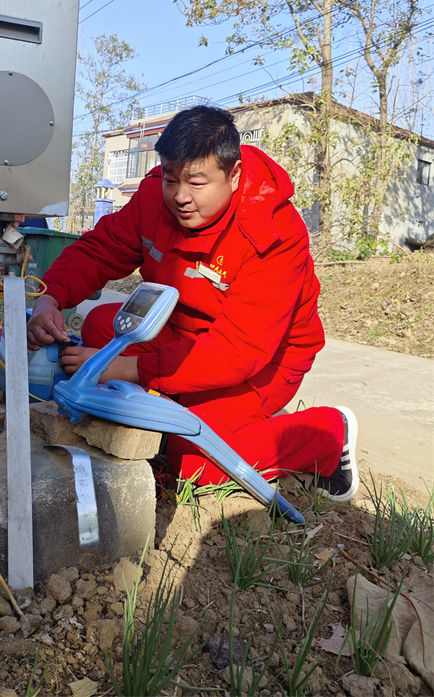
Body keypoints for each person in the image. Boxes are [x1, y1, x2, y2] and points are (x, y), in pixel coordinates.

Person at [27, 105, 359, 502]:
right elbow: (101, 251)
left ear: (233, 175)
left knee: (193, 460)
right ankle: (181, 410)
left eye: (197, 183)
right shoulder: (156, 197)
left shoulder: (272, 234)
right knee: (101, 327)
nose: (180, 196)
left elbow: (239, 351)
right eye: (171, 179)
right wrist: (50, 296)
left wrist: (132, 368)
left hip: (264, 359)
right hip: (182, 332)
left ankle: (326, 435)